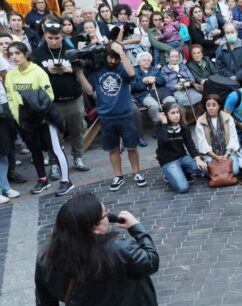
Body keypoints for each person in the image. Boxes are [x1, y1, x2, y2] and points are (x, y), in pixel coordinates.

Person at [5, 42, 74, 196]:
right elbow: (11, 98)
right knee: (34, 151)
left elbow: (49, 96)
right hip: (25, 121)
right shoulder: (10, 75)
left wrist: (39, 114)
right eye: (11, 54)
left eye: (17, 53)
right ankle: (43, 179)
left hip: (43, 119)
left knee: (55, 150)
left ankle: (66, 181)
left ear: (25, 54)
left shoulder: (38, 72)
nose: (14, 57)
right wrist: (18, 118)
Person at [78, 43, 146, 191]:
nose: (113, 62)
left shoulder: (121, 67)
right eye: (111, 58)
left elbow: (132, 74)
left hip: (125, 114)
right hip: (106, 116)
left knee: (132, 147)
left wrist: (121, 53)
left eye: (116, 59)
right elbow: (89, 91)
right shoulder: (97, 70)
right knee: (113, 148)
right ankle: (118, 176)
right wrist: (79, 72)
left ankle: (137, 173)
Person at [31, 21, 90, 173]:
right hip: (51, 102)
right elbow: (32, 77)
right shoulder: (37, 54)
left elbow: (84, 71)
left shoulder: (70, 50)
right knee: (53, 134)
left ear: (62, 36)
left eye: (57, 38)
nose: (54, 41)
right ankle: (54, 162)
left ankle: (78, 157)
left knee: (77, 130)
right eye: (50, 38)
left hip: (73, 98)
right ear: (44, 36)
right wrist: (46, 70)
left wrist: (71, 68)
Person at [154, 101, 207, 193]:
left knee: (205, 169)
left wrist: (198, 159)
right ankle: (168, 175)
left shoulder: (183, 127)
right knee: (182, 188)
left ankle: (183, 170)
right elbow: (163, 140)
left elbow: (190, 145)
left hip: (182, 157)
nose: (176, 115)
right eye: (173, 113)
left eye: (177, 112)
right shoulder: (160, 128)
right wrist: (164, 124)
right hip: (168, 161)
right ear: (166, 115)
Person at [193, 94, 241, 176]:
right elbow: (202, 142)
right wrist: (215, 157)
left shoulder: (228, 118)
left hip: (228, 152)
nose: (211, 108)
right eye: (208, 105)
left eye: (214, 105)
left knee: (235, 171)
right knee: (206, 171)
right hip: (210, 154)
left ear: (219, 106)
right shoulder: (200, 121)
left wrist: (226, 155)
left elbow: (233, 138)